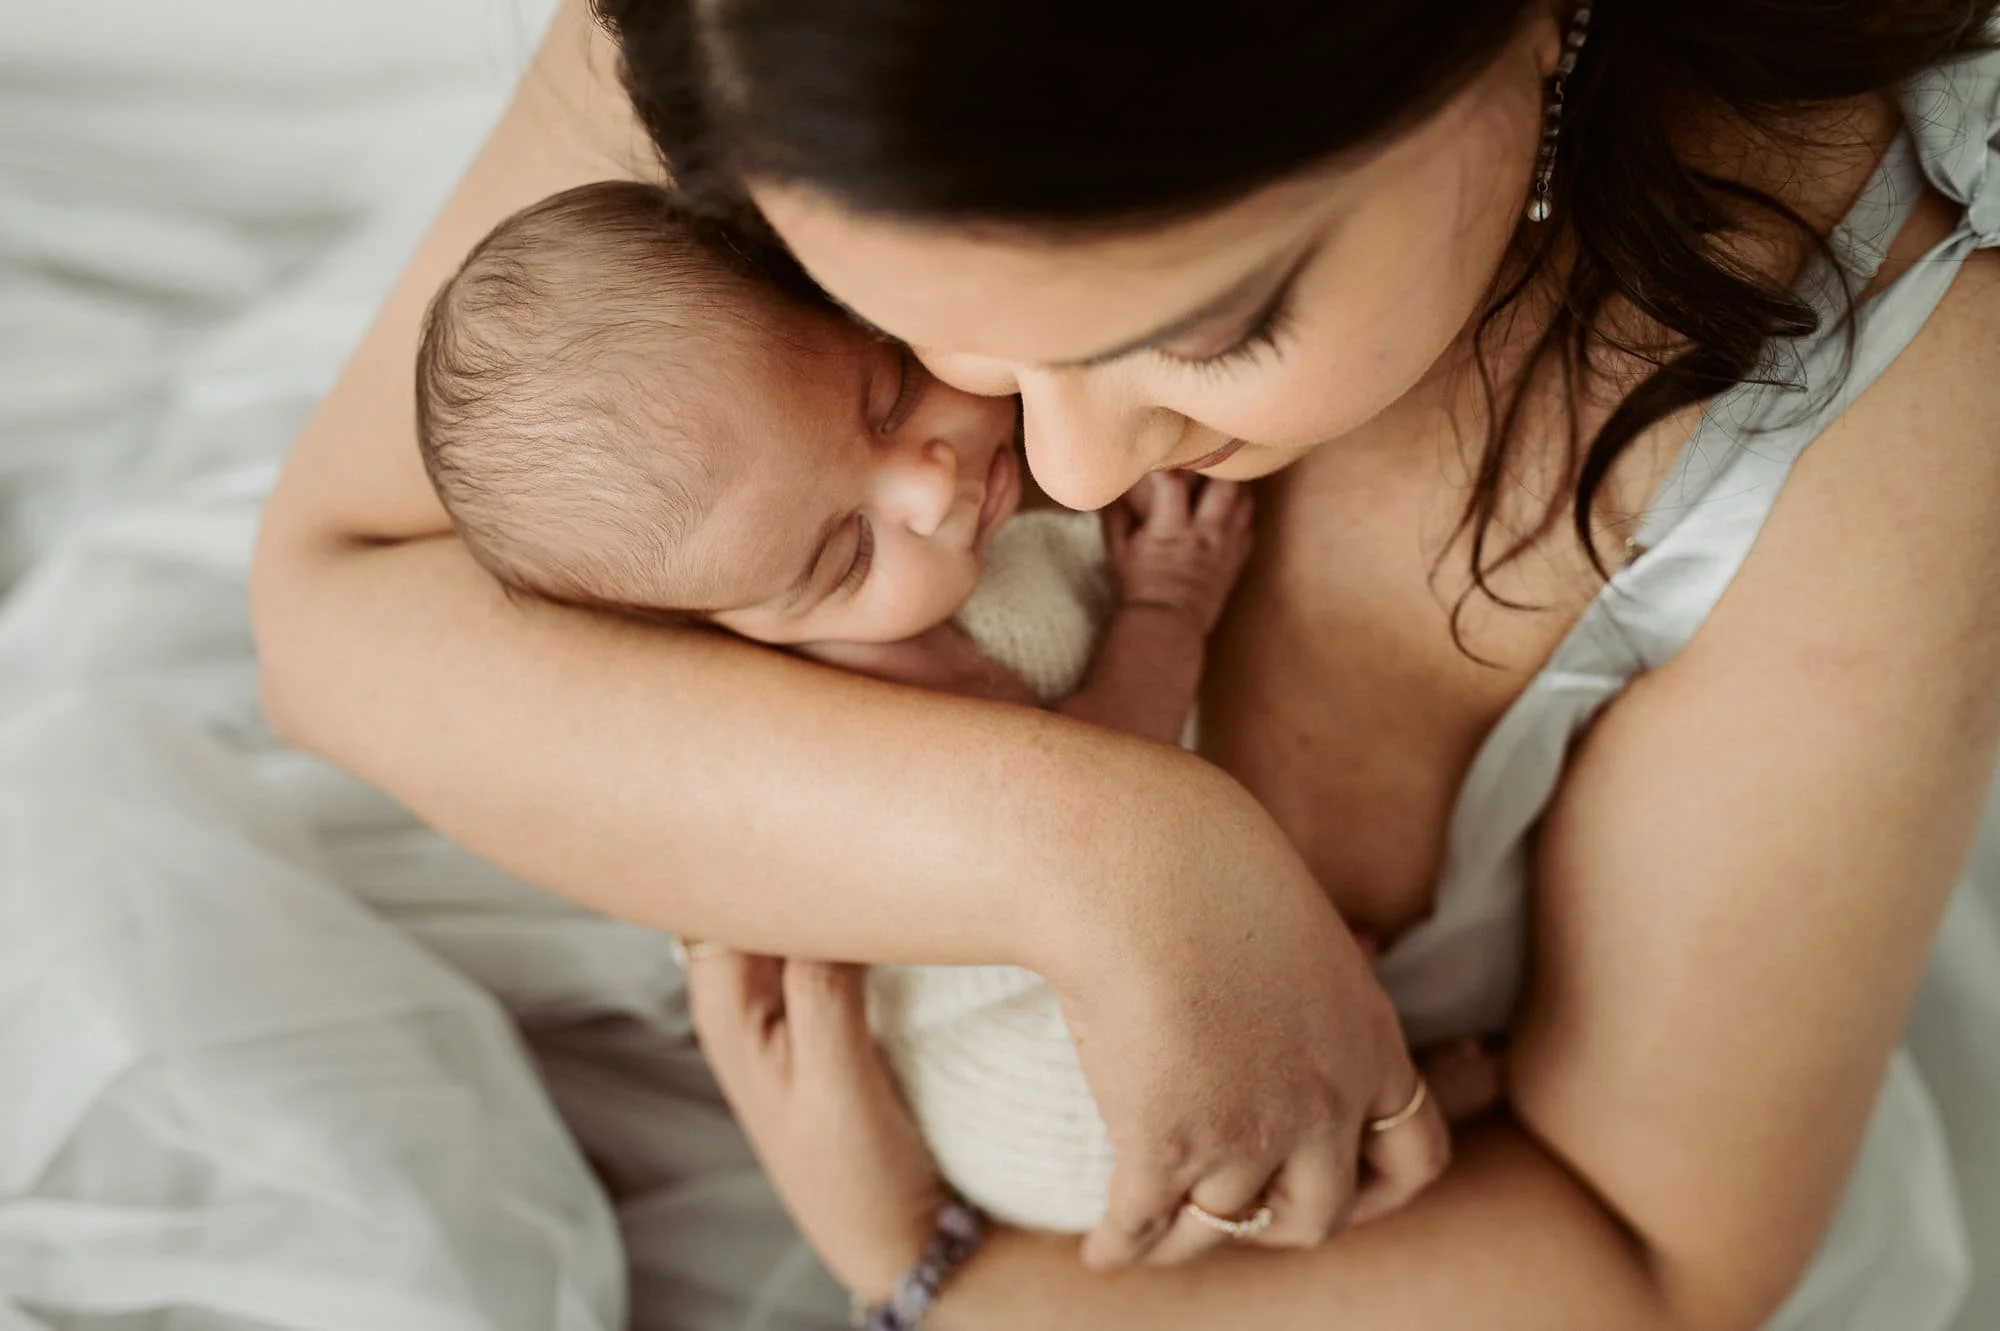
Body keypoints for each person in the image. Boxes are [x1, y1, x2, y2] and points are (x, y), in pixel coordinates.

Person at [251, 0, 2000, 1327]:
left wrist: (931, 1272)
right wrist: (1112, 851)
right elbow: (340, 611)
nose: (1064, 476)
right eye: (912, 324)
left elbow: (1649, 1261)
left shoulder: (1897, 420)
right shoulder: (769, 31)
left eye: (1216, 325)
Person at [413, 176, 1275, 1233]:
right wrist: (1167, 601)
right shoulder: (890, 674)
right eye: (844, 552)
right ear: (736, 628)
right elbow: (1105, 786)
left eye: (884, 393)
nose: (925, 484)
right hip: (1043, 1093)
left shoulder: (916, 557)